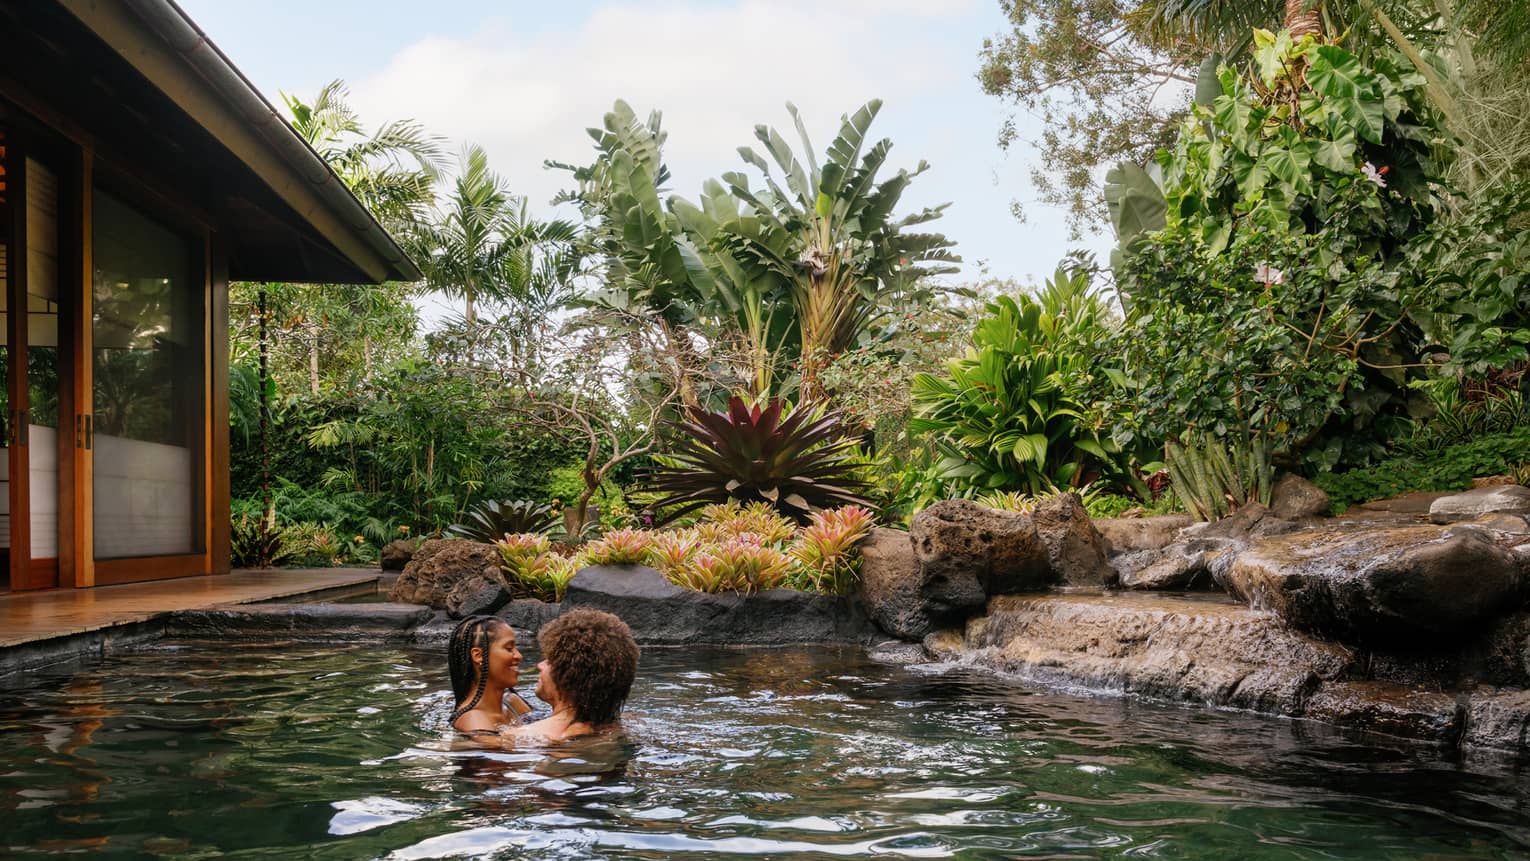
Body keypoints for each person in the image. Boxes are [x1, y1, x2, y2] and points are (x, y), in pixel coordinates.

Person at [504, 609, 639, 743]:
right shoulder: (628, 727)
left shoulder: (520, 738)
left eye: (549, 661)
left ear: (568, 676)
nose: (540, 665)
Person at [448, 615, 534, 733]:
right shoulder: (473, 720)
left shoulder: (513, 703)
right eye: (509, 648)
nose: (519, 656)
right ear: (478, 656)